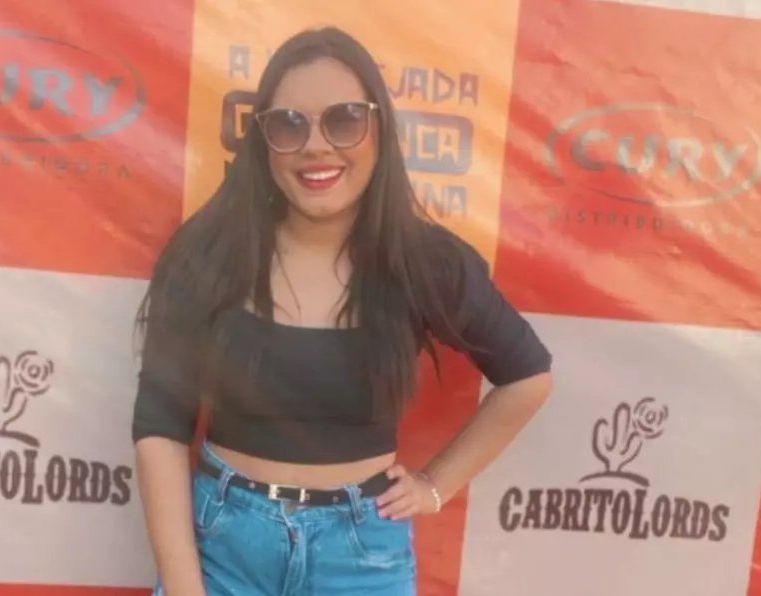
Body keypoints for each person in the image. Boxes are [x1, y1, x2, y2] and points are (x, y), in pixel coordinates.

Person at [131, 26, 553, 596]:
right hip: (223, 551)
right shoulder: (206, 254)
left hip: (361, 560)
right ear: (262, 141)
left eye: (344, 120)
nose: (316, 146)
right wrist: (185, 587)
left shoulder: (425, 262)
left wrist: (436, 485)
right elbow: (160, 425)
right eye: (289, 124)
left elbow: (528, 377)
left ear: (379, 129)